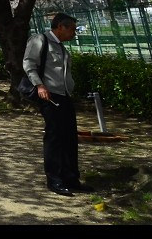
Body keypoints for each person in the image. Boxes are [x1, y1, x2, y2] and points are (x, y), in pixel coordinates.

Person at [23, 12, 92, 197]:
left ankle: (71, 177)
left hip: (64, 95)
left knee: (69, 136)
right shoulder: (40, 40)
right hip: (48, 95)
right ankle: (54, 179)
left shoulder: (61, 46)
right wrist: (39, 85)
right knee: (54, 137)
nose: (74, 34)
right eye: (72, 30)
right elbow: (29, 63)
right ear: (60, 27)